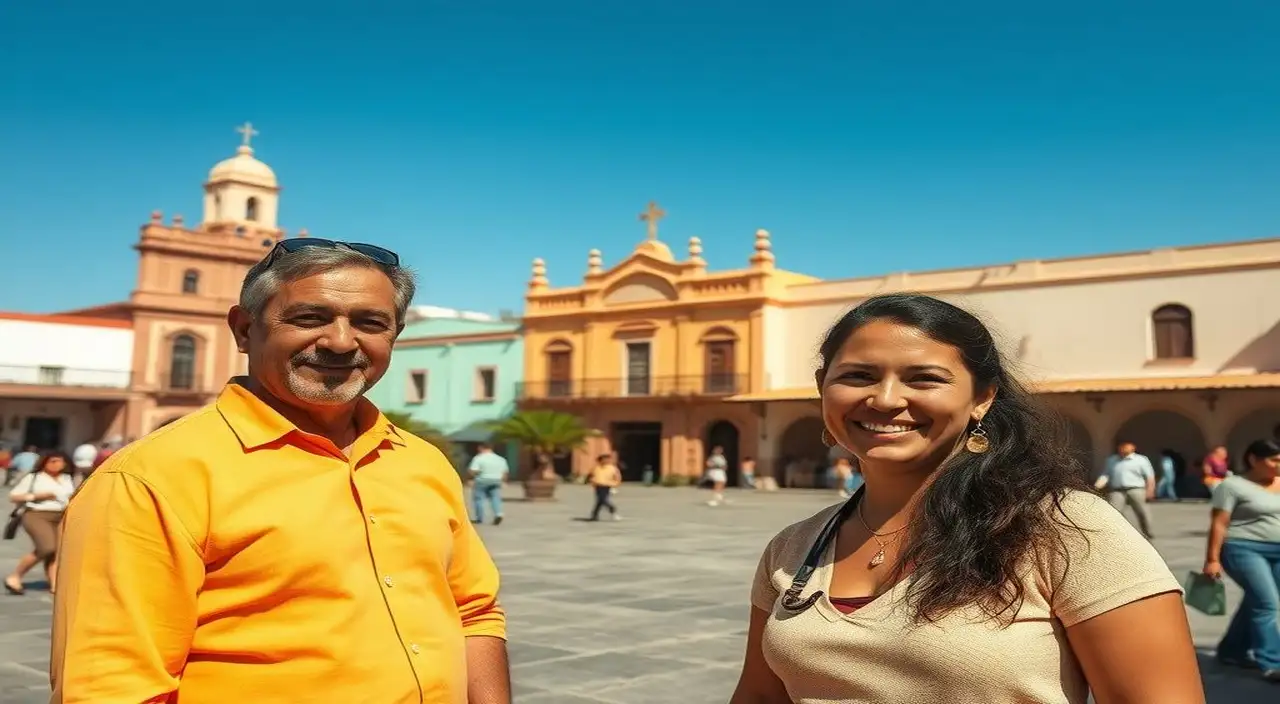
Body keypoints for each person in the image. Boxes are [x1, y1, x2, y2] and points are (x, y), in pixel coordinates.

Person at [51, 239, 510, 703]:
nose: (340, 342)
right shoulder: (151, 479)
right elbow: (111, 687)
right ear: (244, 330)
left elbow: (473, 611)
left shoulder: (421, 461)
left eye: (370, 323)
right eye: (310, 318)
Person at [730, 294, 1202, 704]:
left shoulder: (1064, 528)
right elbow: (759, 696)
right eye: (858, 375)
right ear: (822, 388)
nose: (886, 399)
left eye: (924, 379)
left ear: (983, 398)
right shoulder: (794, 548)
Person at [1203, 438, 1280, 683]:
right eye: (1274, 460)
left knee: (1256, 601)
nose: (1279, 465)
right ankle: (1271, 662)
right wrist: (1212, 559)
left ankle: (1231, 651)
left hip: (1277, 550)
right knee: (1267, 603)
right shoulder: (1233, 485)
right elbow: (1219, 523)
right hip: (1244, 548)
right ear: (1253, 459)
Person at [4, 451, 75, 595]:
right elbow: (13, 496)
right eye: (52, 461)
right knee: (47, 547)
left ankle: (54, 584)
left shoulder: (67, 478)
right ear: (44, 462)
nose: (56, 464)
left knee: (57, 552)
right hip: (37, 514)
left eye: (60, 461)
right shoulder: (34, 477)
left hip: (61, 516)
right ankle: (15, 576)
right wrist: (37, 495)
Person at [1095, 440, 1156, 539]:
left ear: (1133, 448)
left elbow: (1150, 477)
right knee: (1114, 511)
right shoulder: (1112, 460)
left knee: (1142, 512)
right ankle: (1119, 533)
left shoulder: (1141, 460)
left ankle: (1147, 532)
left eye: (1126, 447)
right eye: (1121, 447)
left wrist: (1150, 490)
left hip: (1136, 489)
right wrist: (1097, 485)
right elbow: (1105, 474)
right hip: (1117, 490)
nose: (1123, 449)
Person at [468, 442, 509, 525]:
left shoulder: (479, 458)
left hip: (482, 480)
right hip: (496, 480)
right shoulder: (500, 459)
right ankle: (499, 513)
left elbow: (472, 470)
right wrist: (503, 481)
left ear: (481, 448)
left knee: (479, 499)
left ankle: (480, 518)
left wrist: (472, 478)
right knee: (495, 498)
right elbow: (505, 472)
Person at [587, 453, 622, 521]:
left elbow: (617, 477)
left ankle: (612, 510)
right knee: (600, 501)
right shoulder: (595, 468)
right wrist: (592, 481)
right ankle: (595, 515)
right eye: (604, 459)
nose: (606, 461)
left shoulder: (612, 468)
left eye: (607, 460)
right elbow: (590, 476)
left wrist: (616, 484)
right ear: (600, 460)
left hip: (607, 486)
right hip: (598, 486)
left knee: (602, 500)